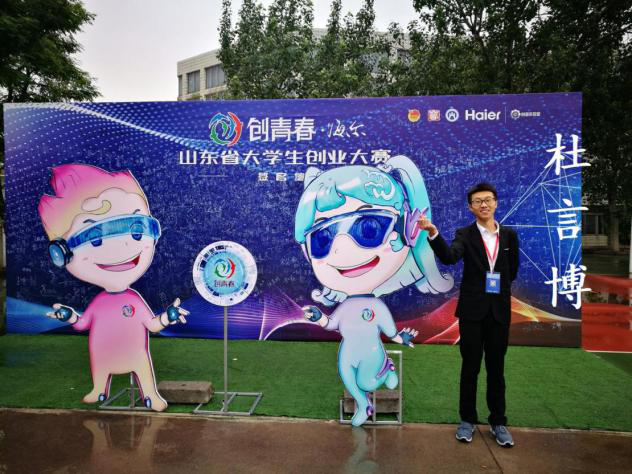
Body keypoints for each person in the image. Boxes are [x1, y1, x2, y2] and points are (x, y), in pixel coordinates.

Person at [294, 155, 453, 426]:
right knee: (348, 376)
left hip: (372, 352)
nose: (342, 249)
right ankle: (363, 404)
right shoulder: (345, 306)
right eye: (321, 240)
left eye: (368, 228)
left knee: (368, 380)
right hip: (348, 351)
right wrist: (318, 318)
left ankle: (385, 369)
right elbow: (332, 324)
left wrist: (400, 338)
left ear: (406, 229)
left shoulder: (377, 307)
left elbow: (389, 331)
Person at [39, 164, 188, 411]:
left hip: (135, 354)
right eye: (96, 239)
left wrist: (167, 317)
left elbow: (152, 325)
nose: (122, 247)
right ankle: (99, 389)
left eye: (138, 232)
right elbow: (81, 324)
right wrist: (68, 315)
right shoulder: (99, 303)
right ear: (62, 253)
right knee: (101, 365)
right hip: (103, 354)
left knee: (141, 364)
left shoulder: (134, 300)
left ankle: (149, 393)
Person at [417, 182, 519, 447]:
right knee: (470, 367)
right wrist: (433, 233)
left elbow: (512, 271)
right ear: (470, 207)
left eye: (488, 200)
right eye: (478, 201)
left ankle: (498, 422)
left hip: (499, 312)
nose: (483, 205)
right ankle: (467, 420)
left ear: (496, 203)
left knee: (496, 369)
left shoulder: (509, 236)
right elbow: (450, 257)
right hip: (472, 312)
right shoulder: (465, 234)